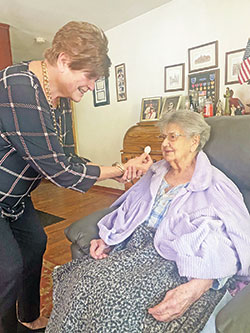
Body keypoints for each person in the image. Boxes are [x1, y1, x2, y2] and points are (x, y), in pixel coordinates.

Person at [0, 21, 153, 333]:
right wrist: (120, 170)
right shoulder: (18, 85)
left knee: (35, 242)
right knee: (7, 269)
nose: (88, 91)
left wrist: (113, 168)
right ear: (64, 60)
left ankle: (27, 316)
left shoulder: (54, 99)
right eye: (87, 82)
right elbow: (59, 170)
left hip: (15, 198)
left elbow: (64, 157)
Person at [46, 110, 250, 332]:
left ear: (194, 141)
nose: (164, 143)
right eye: (163, 137)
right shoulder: (157, 171)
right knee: (81, 282)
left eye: (173, 136)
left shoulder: (216, 184)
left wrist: (202, 282)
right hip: (135, 248)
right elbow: (129, 208)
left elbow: (238, 234)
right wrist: (107, 237)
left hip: (171, 258)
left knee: (117, 309)